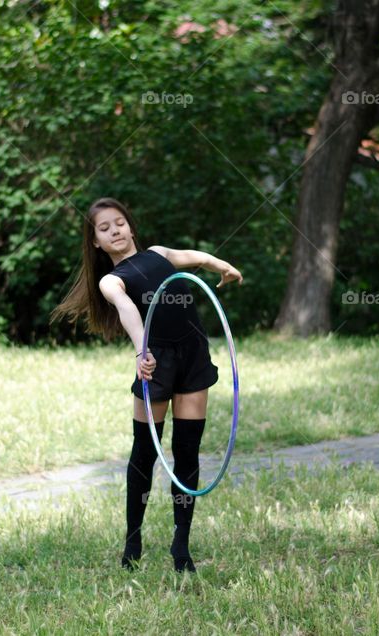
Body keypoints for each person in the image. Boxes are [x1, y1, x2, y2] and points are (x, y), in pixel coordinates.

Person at [50, 197, 243, 573]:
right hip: (154, 364)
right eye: (103, 229)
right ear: (95, 243)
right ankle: (132, 540)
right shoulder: (111, 280)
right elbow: (127, 310)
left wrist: (224, 267)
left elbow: (196, 257)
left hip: (192, 357)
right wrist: (142, 351)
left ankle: (181, 545)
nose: (114, 231)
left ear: (131, 227)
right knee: (146, 452)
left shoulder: (158, 253)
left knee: (187, 453)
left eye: (118, 223)